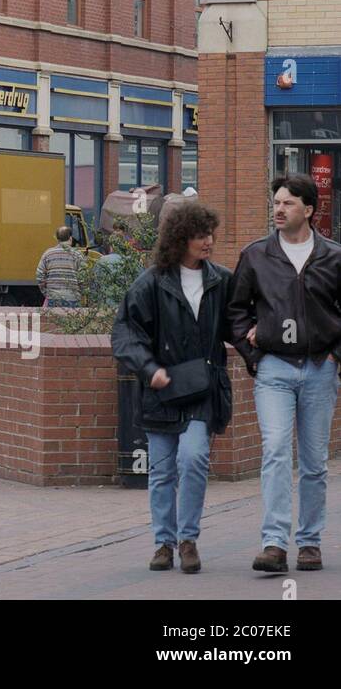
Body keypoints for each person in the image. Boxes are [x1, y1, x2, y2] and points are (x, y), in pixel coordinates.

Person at [227, 173, 341, 574]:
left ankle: (310, 542)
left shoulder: (333, 256)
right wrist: (251, 354)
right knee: (275, 451)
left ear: (309, 210)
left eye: (288, 203)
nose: (278, 209)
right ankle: (274, 543)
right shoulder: (256, 255)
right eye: (276, 202)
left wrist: (334, 355)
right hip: (274, 368)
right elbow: (236, 310)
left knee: (313, 462)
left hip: (319, 368)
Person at [112, 202, 232, 575]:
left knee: (193, 458)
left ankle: (188, 539)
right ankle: (163, 542)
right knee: (162, 470)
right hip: (161, 390)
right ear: (179, 240)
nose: (207, 241)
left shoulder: (221, 280)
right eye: (199, 236)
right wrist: (150, 370)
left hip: (202, 390)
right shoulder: (150, 282)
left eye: (209, 234)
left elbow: (239, 324)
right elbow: (125, 333)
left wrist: (258, 347)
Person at [36, 226, 85, 308]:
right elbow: (84, 278)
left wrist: (47, 292)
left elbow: (39, 275)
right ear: (70, 238)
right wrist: (80, 293)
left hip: (53, 297)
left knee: (52, 321)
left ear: (57, 239)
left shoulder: (48, 254)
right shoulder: (78, 255)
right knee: (71, 320)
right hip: (73, 298)